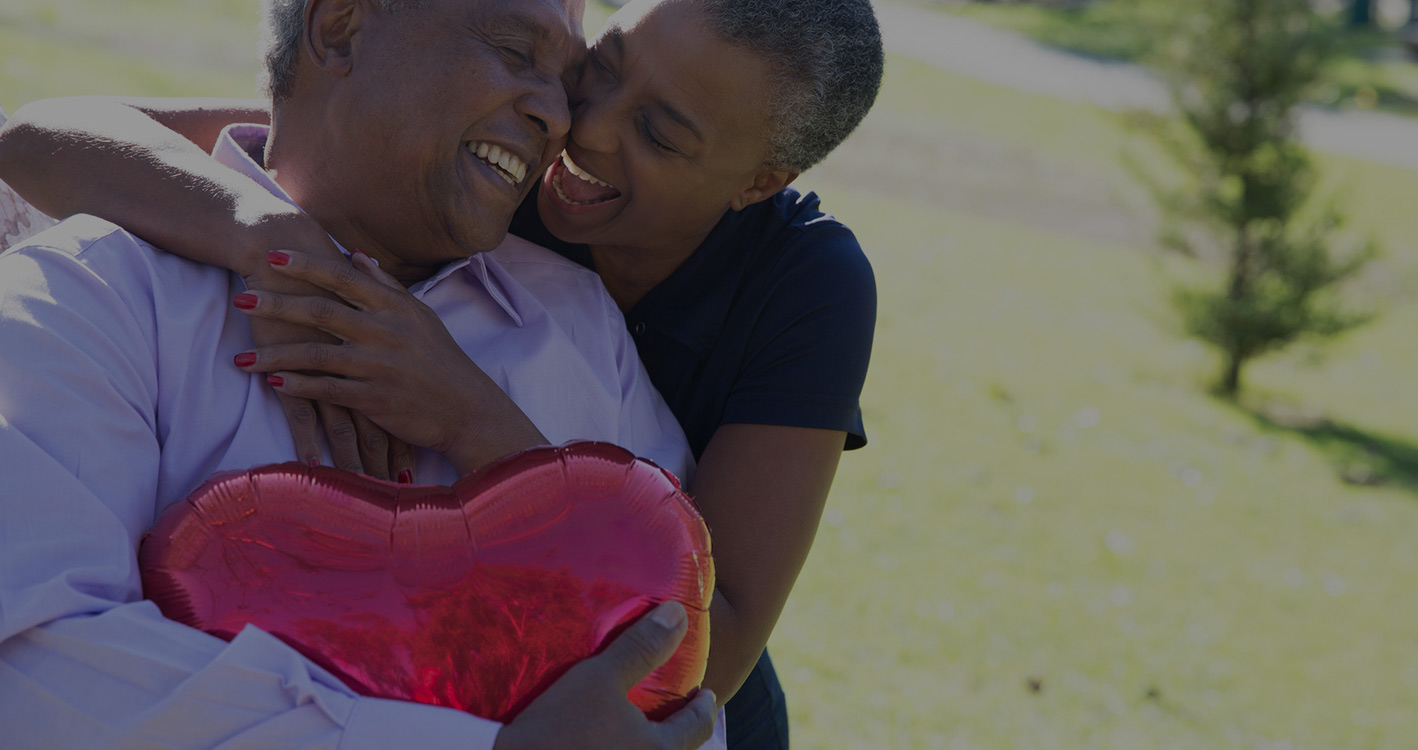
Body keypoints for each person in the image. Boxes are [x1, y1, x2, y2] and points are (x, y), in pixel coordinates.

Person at [0, 0, 885, 746]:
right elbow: (33, 671)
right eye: (534, 57)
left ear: (757, 181)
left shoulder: (608, 322)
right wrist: (278, 240)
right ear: (343, 27)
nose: (574, 122)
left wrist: (472, 416)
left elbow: (683, 664)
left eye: (657, 132)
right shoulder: (98, 293)